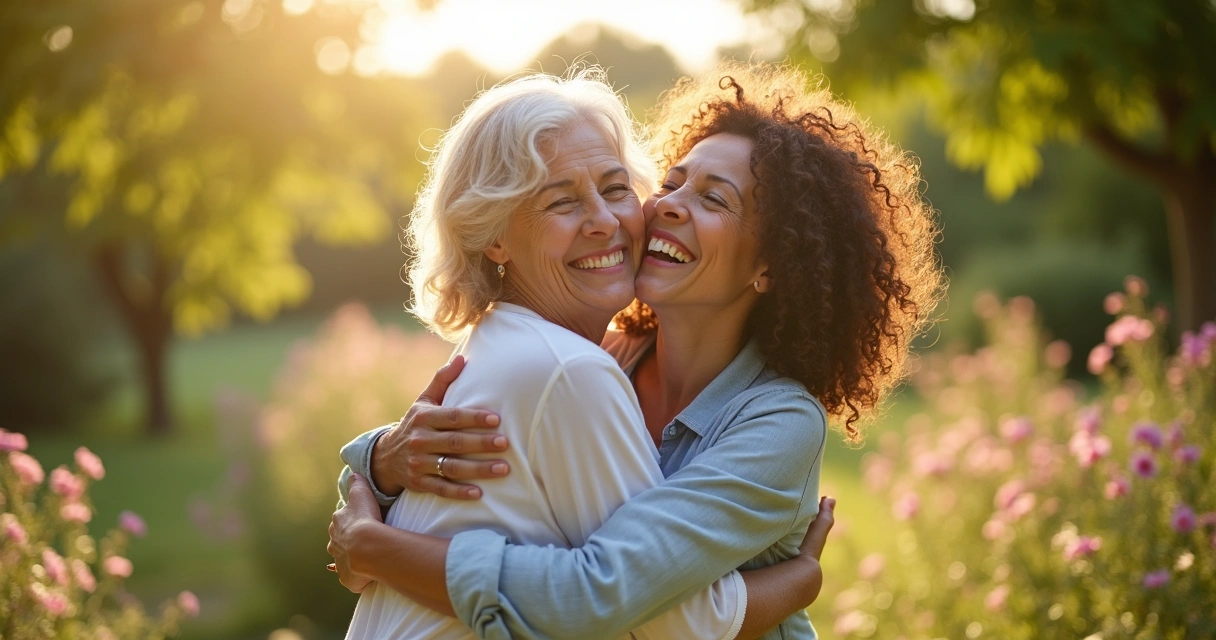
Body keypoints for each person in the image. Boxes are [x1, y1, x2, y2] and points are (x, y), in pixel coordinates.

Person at [331, 62, 941, 639]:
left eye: (714, 199)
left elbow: (606, 596)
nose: (668, 204)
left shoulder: (777, 420)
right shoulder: (599, 359)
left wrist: (375, 547)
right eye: (671, 184)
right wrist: (380, 461)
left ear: (770, 265)